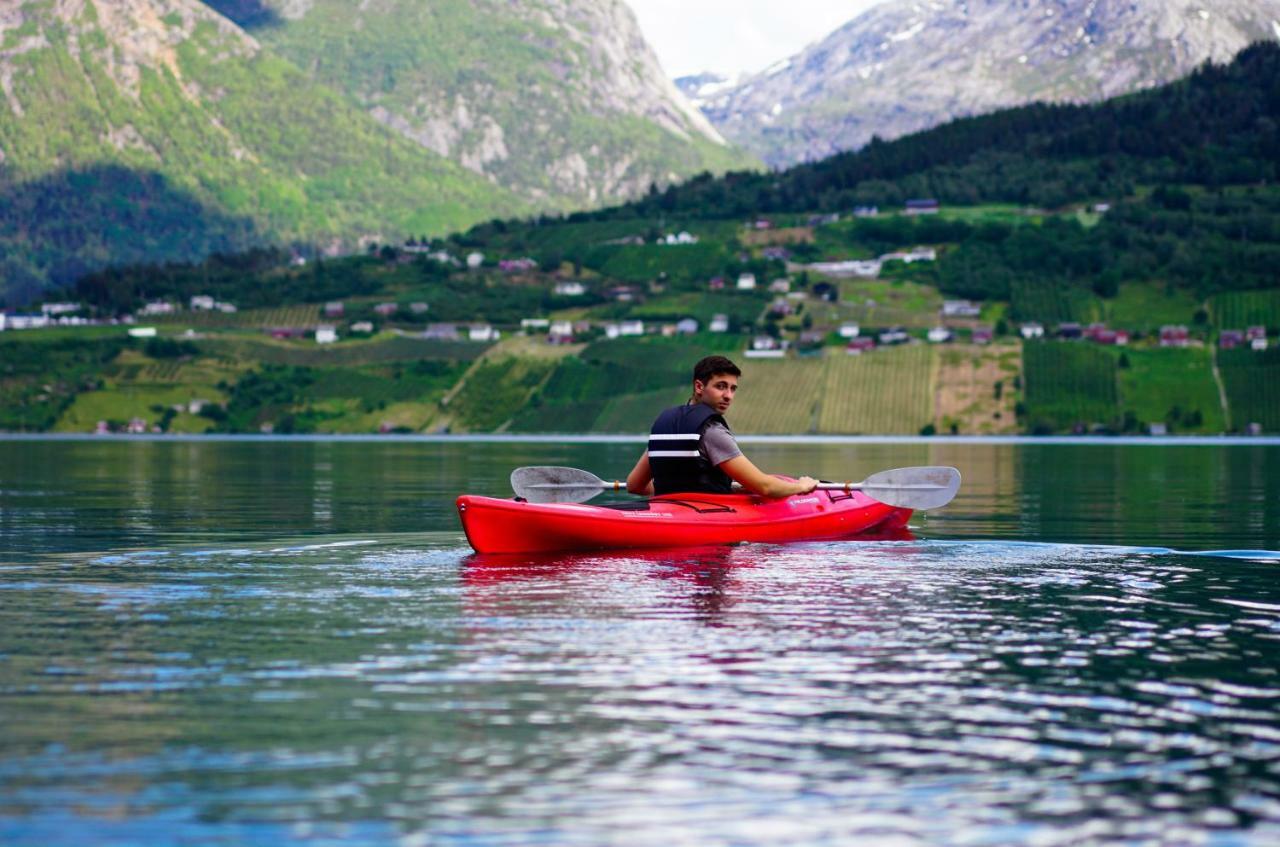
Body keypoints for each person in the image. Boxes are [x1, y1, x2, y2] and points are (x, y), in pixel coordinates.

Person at [626, 355, 819, 498]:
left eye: (733, 388)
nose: (728, 395)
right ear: (699, 387)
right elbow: (765, 487)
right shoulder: (712, 431)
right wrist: (801, 487)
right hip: (706, 517)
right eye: (721, 386)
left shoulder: (665, 423)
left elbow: (634, 485)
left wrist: (672, 494)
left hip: (666, 512)